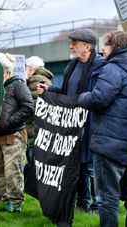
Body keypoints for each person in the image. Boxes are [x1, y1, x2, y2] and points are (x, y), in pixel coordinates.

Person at [78, 31, 127, 227]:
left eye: (105, 46)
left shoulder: (112, 69)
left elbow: (99, 98)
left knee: (107, 199)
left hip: (108, 144)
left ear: (115, 47)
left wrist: (82, 97)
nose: (102, 51)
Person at [37, 28, 105, 215]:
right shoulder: (71, 66)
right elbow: (68, 92)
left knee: (91, 166)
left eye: (74, 43)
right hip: (72, 124)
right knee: (79, 164)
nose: (70, 46)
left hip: (92, 124)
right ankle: (82, 202)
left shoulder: (100, 67)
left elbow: (99, 96)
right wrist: (50, 89)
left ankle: (98, 206)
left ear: (88, 47)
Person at [0, 52, 34, 213]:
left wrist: (9, 122)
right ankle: (7, 204)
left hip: (13, 136)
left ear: (5, 72)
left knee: (13, 173)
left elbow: (28, 107)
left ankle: (16, 204)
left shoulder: (18, 85)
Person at [24, 56, 53, 173]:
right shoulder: (46, 79)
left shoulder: (35, 81)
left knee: (35, 170)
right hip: (43, 132)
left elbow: (34, 108)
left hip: (35, 133)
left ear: (30, 68)